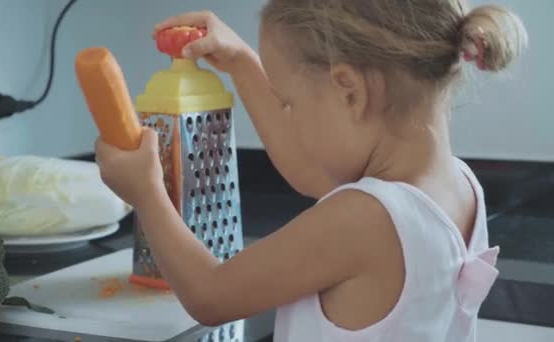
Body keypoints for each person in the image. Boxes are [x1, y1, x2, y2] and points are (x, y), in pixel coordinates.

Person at [95, 1, 527, 341]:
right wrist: (243, 65)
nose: (288, 117)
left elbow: (211, 294)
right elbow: (309, 170)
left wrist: (147, 194)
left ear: (350, 91)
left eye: (289, 104)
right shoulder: (456, 186)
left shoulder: (365, 218)